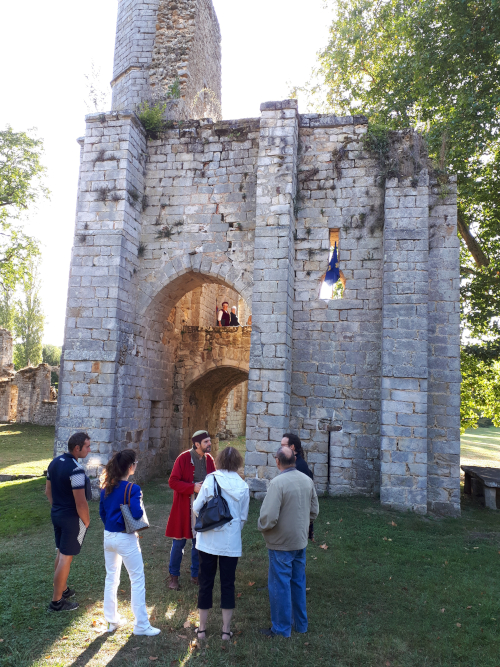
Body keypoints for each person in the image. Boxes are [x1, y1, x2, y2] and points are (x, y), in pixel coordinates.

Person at [258, 446, 319, 638]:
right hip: (299, 540)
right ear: (294, 459)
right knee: (298, 582)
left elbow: (269, 516)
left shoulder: (278, 483)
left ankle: (281, 628)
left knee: (279, 584)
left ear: (277, 461)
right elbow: (314, 510)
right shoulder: (307, 480)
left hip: (281, 542)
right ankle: (301, 624)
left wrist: (261, 526)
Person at [99, 449, 160, 636]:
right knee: (137, 579)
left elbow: (102, 513)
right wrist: (139, 502)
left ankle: (112, 620)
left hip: (108, 535)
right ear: (131, 466)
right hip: (125, 537)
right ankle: (141, 624)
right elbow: (137, 514)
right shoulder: (133, 489)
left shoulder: (106, 487)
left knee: (111, 578)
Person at [193, 446, 249, 640]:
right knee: (228, 584)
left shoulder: (211, 480)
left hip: (208, 539)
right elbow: (242, 518)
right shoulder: (243, 486)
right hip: (231, 543)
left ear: (219, 461)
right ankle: (225, 630)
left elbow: (196, 506)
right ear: (237, 463)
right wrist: (231, 531)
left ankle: (202, 629)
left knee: (205, 583)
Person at [45, 432, 92, 612]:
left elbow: (47, 491)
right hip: (71, 519)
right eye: (86, 446)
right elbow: (81, 502)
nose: (89, 449)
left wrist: (56, 507)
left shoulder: (54, 463)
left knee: (60, 552)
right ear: (77, 448)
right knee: (66, 557)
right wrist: (86, 522)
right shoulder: (76, 469)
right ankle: (57, 602)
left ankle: (62, 589)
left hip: (57, 514)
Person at [165, 430, 215, 589]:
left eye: (209, 441)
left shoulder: (209, 460)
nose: (209, 444)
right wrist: (192, 487)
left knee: (198, 542)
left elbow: (214, 479)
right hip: (183, 506)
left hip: (202, 507)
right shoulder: (184, 458)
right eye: (206, 442)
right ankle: (174, 576)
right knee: (178, 543)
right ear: (197, 444)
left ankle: (196, 575)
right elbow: (173, 482)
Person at [281, 433, 315, 540]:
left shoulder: (299, 466)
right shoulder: (294, 463)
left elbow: (304, 495)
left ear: (292, 447)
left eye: (283, 445)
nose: (281, 448)